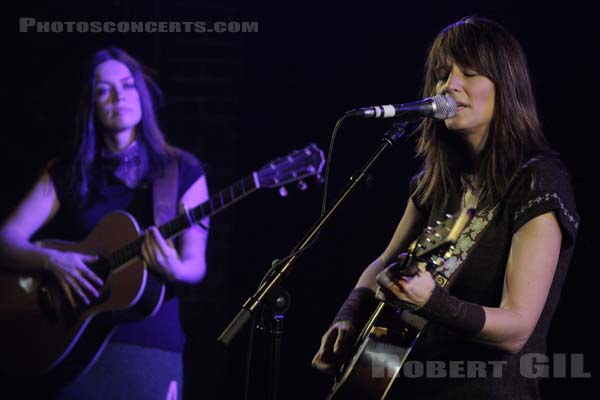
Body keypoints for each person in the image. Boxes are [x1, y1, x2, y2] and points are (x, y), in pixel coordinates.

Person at [312, 16, 579, 399]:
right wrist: (350, 315)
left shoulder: (537, 182)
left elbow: (517, 328)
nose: (449, 85)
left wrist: (431, 302)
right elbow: (385, 260)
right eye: (441, 74)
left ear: (506, 87)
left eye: (469, 73)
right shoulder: (437, 180)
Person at [0, 47, 209, 399]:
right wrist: (54, 260)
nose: (118, 97)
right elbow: (6, 238)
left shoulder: (182, 169)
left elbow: (195, 264)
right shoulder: (66, 171)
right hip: (69, 347)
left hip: (149, 348)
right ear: (90, 102)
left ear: (141, 96)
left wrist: (174, 268)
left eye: (128, 86)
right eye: (104, 89)